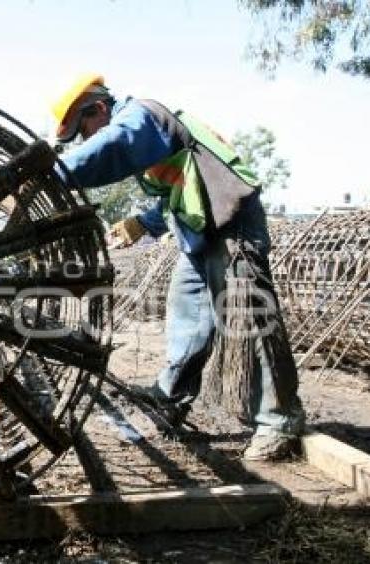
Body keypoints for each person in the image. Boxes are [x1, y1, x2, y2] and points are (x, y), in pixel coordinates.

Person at [51, 74, 304, 461]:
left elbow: (114, 145)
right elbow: (179, 188)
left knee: (249, 316)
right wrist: (144, 223)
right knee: (188, 312)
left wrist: (51, 173)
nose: (85, 141)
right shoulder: (148, 130)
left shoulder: (141, 114)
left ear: (98, 108)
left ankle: (280, 420)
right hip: (199, 227)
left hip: (230, 219)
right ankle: (170, 396)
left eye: (83, 132)